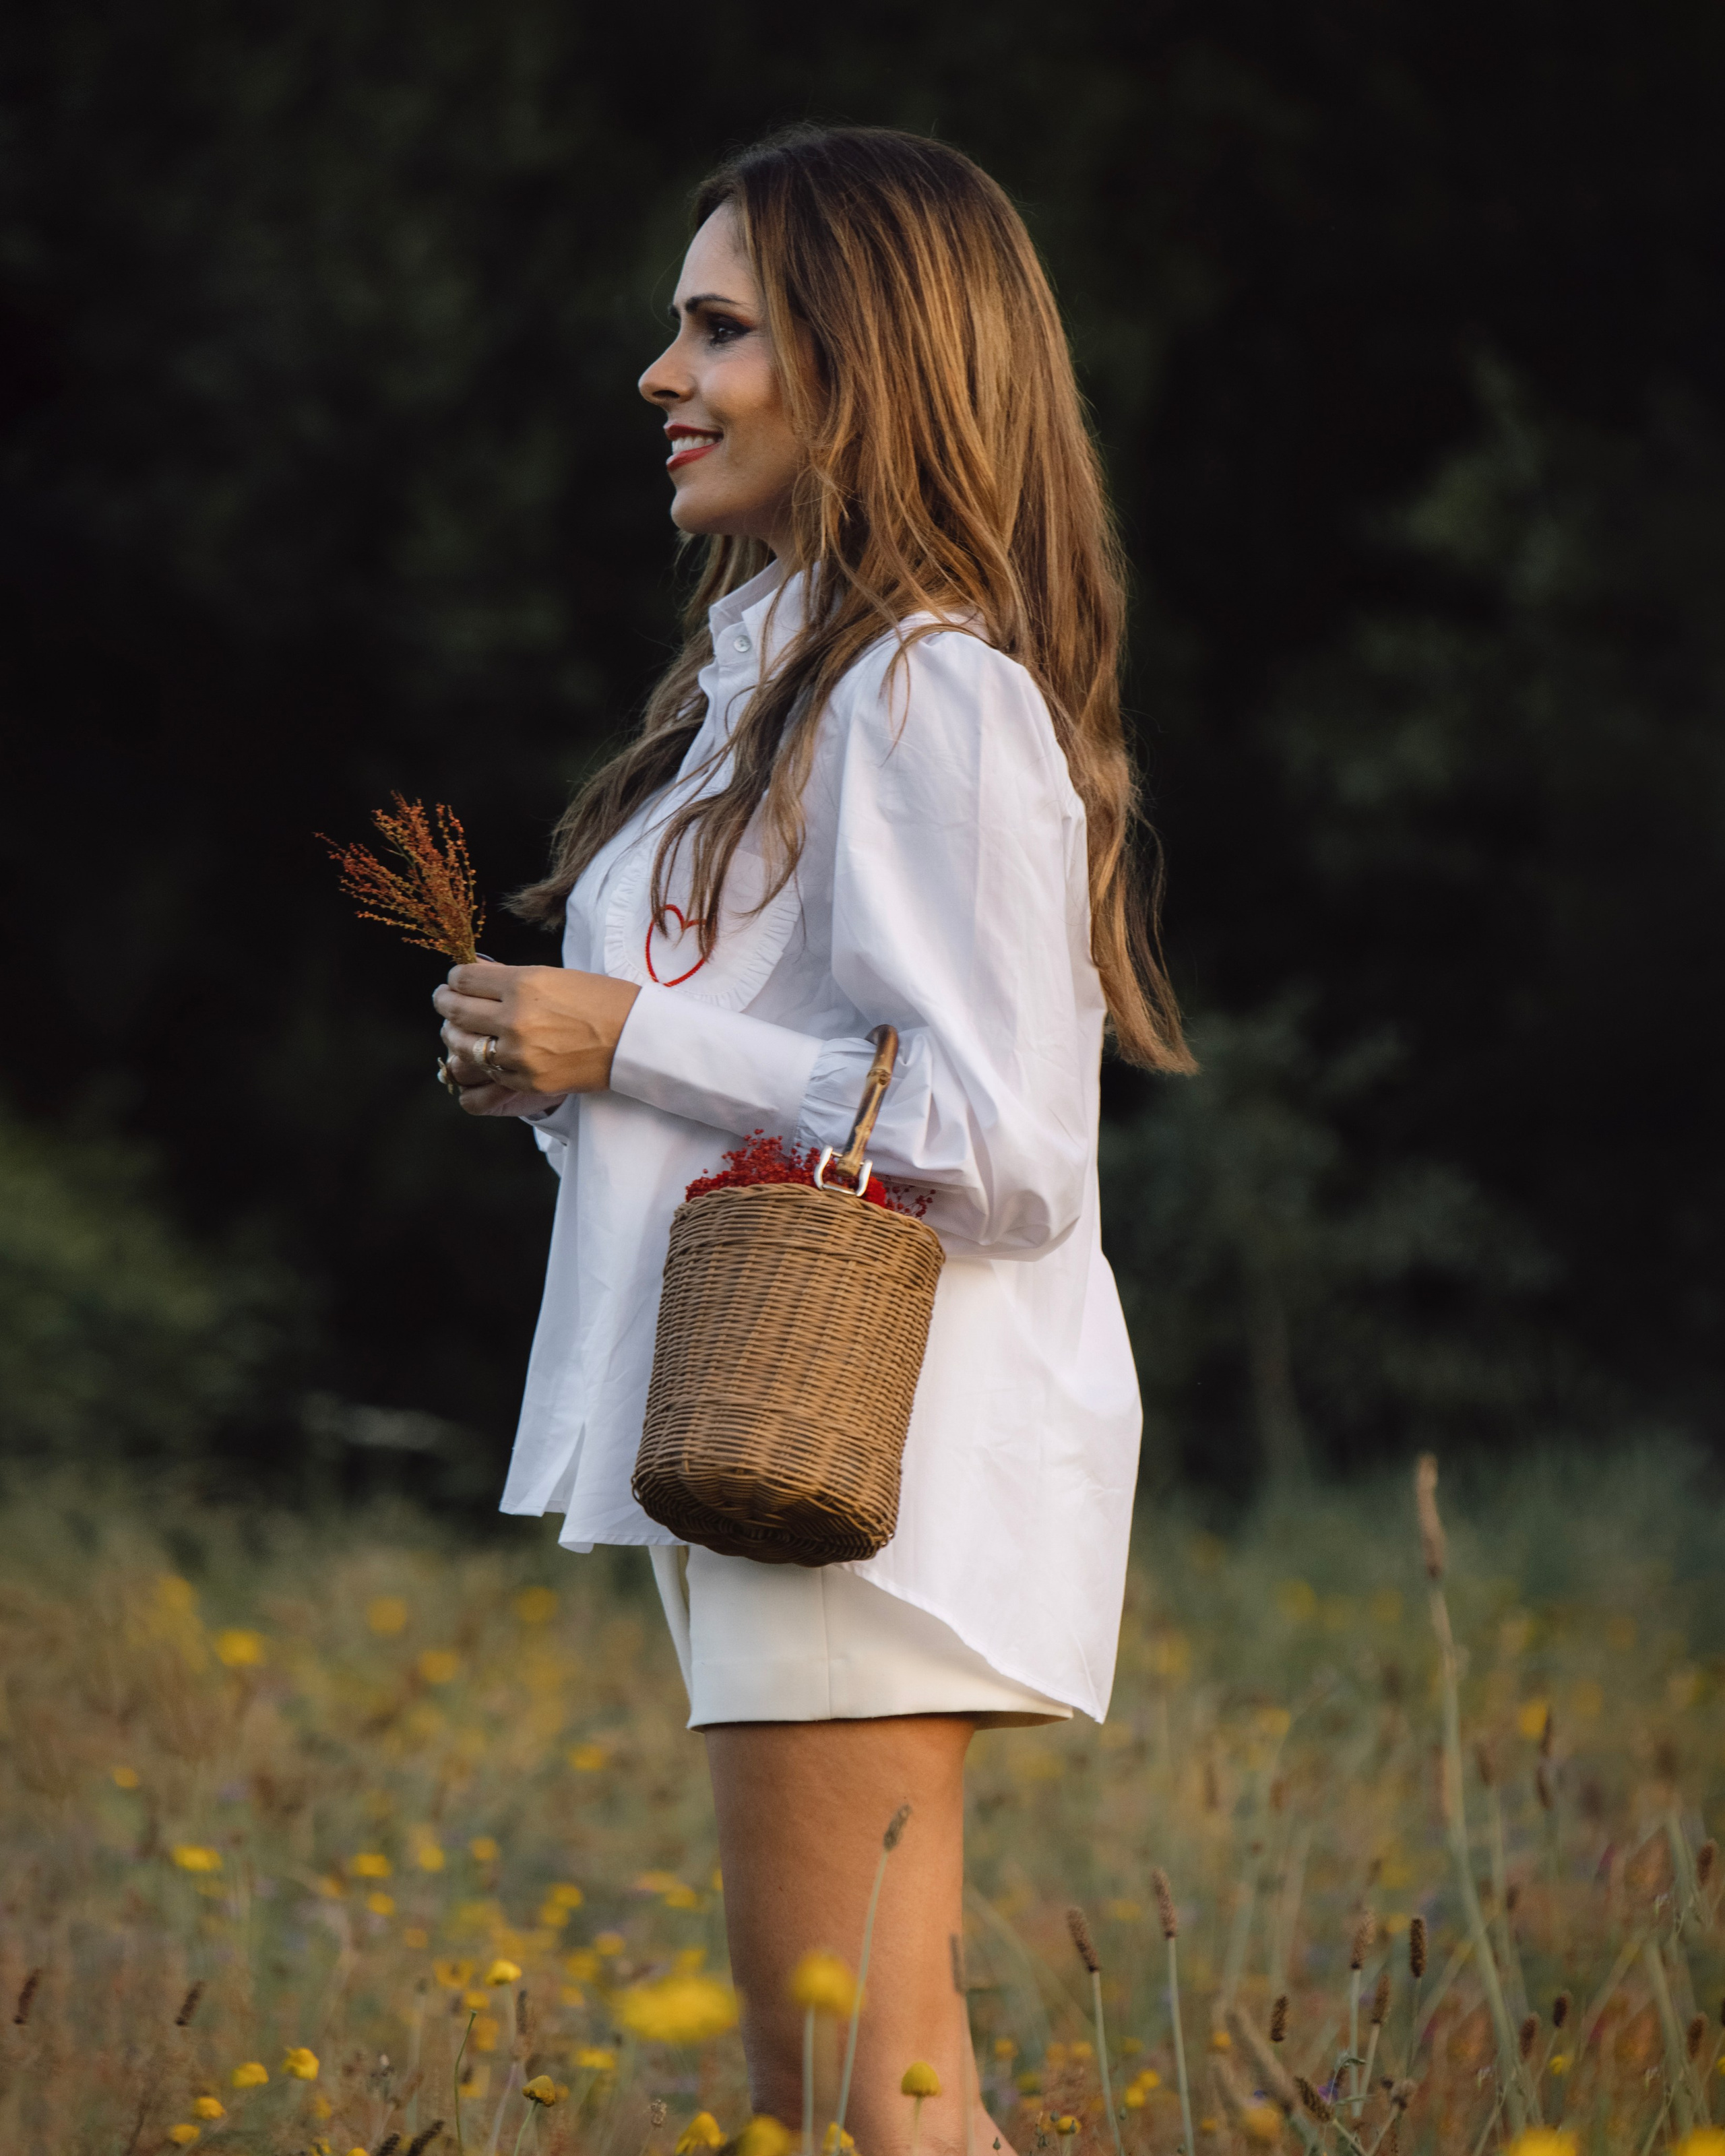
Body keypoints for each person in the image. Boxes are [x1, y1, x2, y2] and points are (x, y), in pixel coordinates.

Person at [433, 125, 1192, 2156]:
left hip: (864, 1445)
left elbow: (1007, 1138)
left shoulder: (926, 692)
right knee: (852, 2082)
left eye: (722, 330)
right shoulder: (781, 681)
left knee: (869, 2095)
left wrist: (636, 1035)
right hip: (770, 1415)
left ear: (870, 362)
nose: (664, 379)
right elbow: (767, 1089)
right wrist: (567, 1072)